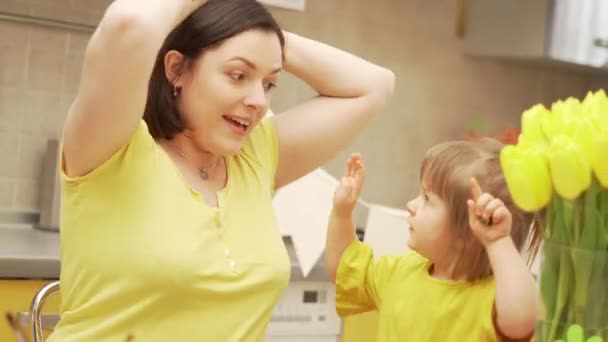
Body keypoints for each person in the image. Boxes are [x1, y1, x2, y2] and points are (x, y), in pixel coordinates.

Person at [52, 0, 395, 340]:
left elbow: (375, 86)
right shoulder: (112, 150)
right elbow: (129, 23)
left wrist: (258, 36)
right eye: (238, 75)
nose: (259, 101)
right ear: (176, 69)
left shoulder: (255, 157)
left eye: (268, 83)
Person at [326, 139, 542, 341]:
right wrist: (342, 213)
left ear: (466, 233)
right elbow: (343, 270)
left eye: (427, 199)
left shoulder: (494, 301)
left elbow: (522, 320)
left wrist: (498, 242)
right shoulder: (399, 272)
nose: (411, 204)